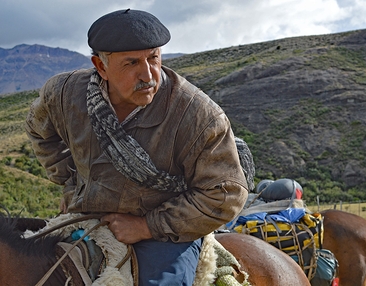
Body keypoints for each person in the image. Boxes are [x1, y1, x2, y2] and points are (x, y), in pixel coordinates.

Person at [25, 9, 248, 286]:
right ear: (101, 66)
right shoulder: (64, 94)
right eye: (131, 63)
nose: (148, 74)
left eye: (153, 57)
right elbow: (39, 129)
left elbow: (225, 196)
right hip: (86, 214)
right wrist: (71, 183)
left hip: (164, 232)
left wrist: (146, 226)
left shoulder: (198, 115)